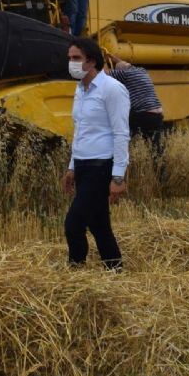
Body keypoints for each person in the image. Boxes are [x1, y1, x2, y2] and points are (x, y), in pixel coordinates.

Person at [61, 37, 130, 270]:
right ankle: (115, 269)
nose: (71, 63)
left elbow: (121, 133)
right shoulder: (80, 90)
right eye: (70, 58)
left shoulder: (112, 89)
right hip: (82, 165)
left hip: (101, 167)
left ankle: (76, 270)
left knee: (74, 224)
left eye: (76, 58)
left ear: (91, 61)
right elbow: (81, 131)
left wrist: (118, 177)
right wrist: (72, 167)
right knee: (99, 224)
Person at [107, 52, 164, 147]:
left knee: (121, 130)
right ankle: (158, 160)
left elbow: (104, 73)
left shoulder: (124, 75)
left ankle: (123, 153)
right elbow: (124, 65)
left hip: (143, 114)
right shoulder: (141, 71)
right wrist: (113, 58)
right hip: (158, 114)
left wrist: (98, 59)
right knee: (156, 146)